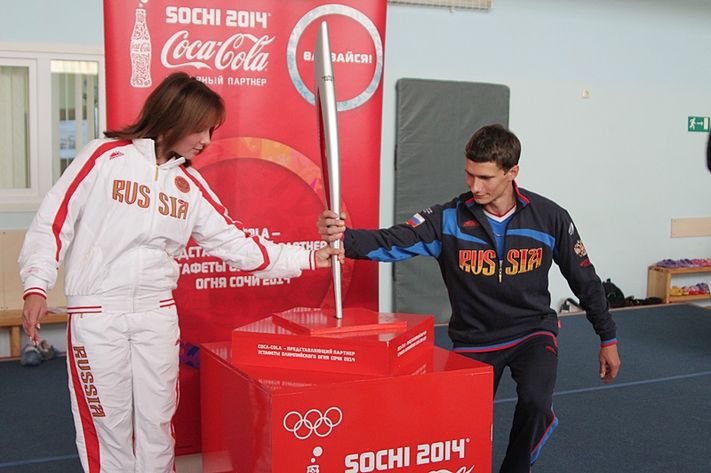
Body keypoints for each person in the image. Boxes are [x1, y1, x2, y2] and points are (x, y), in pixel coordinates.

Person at [19, 72, 342, 473]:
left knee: (157, 425)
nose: (207, 140)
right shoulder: (105, 157)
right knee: (108, 426)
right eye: (202, 128)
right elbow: (54, 220)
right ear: (174, 116)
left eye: (211, 130)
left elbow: (236, 244)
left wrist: (310, 257)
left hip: (156, 315)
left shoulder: (190, 185)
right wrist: (36, 284)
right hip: (98, 314)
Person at [318, 124, 621, 473]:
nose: (474, 186)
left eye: (486, 177)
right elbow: (392, 241)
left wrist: (607, 337)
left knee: (536, 403)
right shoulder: (447, 219)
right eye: (469, 174)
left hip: (532, 333)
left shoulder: (550, 217)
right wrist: (344, 237)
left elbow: (585, 279)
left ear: (512, 172)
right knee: (456, 427)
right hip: (474, 339)